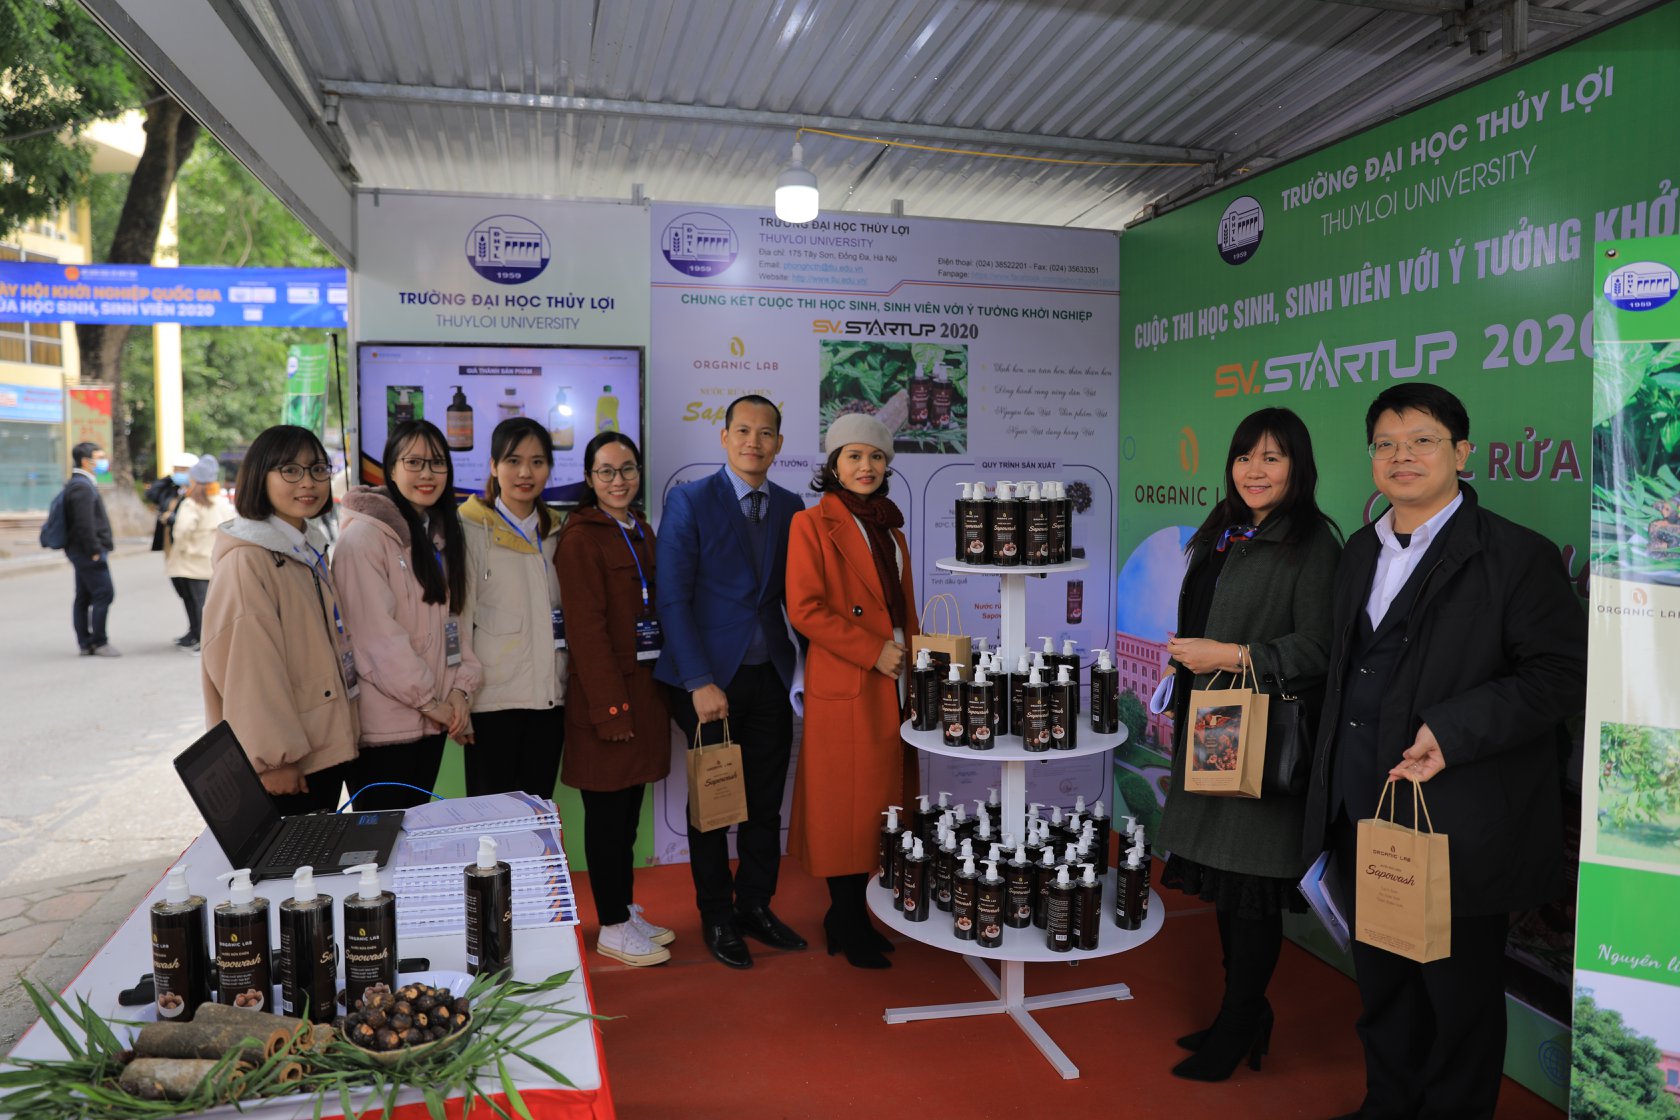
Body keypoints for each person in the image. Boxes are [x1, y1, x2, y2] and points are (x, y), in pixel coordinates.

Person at [1303, 384, 1586, 1120]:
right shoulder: (1359, 549)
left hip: (1458, 821)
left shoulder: (1515, 555)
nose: (1402, 456)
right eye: (1386, 444)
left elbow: (1561, 675)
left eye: (1422, 441)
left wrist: (1451, 731)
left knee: (1458, 1001)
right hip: (1364, 810)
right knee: (1383, 985)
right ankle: (1387, 1105)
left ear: (1462, 453)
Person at [1156, 406, 1342, 1081]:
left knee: (1252, 885)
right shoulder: (1224, 531)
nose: (1254, 470)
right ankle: (1240, 1013)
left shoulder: (1314, 544)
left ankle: (1239, 1024)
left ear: (1298, 466)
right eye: (1244, 456)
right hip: (1213, 727)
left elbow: (1321, 647)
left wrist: (1234, 656)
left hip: (1264, 736)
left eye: (1272, 457)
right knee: (1225, 882)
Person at [655, 394, 806, 970]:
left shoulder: (791, 506)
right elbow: (672, 597)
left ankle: (755, 906)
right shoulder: (690, 500)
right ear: (724, 437)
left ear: (779, 444)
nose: (753, 442)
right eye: (742, 431)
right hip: (707, 684)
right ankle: (717, 916)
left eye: (765, 433)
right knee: (714, 806)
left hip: (771, 678)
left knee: (765, 805)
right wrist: (699, 680)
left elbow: (797, 599)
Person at [786, 414, 918, 970]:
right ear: (834, 465)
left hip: (896, 674)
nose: (866, 466)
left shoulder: (892, 529)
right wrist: (873, 650)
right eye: (854, 456)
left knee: (882, 804)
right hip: (851, 675)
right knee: (846, 807)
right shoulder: (811, 524)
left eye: (876, 456)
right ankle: (846, 917)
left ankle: (852, 914)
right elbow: (805, 609)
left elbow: (904, 611)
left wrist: (918, 665)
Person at [556, 432, 674, 968]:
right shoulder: (582, 538)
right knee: (606, 819)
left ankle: (624, 909)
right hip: (607, 700)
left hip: (644, 693)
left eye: (627, 469)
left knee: (627, 816)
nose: (618, 480)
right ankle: (611, 925)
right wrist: (610, 709)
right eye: (605, 471)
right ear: (589, 478)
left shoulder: (640, 529)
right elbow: (585, 631)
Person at [200, 425, 360, 815]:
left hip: (320, 743)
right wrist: (273, 760)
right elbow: (250, 668)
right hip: (287, 762)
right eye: (290, 470)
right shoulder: (248, 559)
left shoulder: (304, 546)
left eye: (317, 469)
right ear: (260, 476)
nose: (308, 482)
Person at [333, 421, 481, 811]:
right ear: (391, 469)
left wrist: (459, 691)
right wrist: (431, 702)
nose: (427, 474)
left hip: (431, 723)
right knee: (383, 841)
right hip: (384, 731)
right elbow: (376, 639)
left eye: (437, 463)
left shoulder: (438, 536)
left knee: (415, 836)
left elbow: (452, 625)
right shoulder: (362, 539)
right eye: (414, 462)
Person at [457, 417, 566, 799]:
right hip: (492, 705)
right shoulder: (469, 529)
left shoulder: (557, 532)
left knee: (537, 815)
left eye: (537, 462)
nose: (525, 473)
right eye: (513, 461)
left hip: (549, 701)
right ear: (493, 466)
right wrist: (460, 697)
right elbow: (458, 619)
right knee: (493, 821)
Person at [164, 454, 235, 653]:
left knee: (196, 601)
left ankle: (201, 639)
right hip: (212, 560)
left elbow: (181, 530)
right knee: (205, 602)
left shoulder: (192, 503)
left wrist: (184, 548)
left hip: (190, 561)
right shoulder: (221, 502)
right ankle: (198, 636)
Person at [62, 442, 118, 657]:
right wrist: (94, 550)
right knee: (104, 593)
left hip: (82, 551)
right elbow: (84, 523)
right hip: (88, 552)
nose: (104, 462)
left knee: (84, 596)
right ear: (86, 461)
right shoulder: (82, 487)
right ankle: (99, 642)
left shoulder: (80, 483)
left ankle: (86, 643)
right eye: (100, 458)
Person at [148, 452, 198, 645]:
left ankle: (199, 633)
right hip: (172, 547)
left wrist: (172, 519)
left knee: (195, 594)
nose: (178, 473)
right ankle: (192, 630)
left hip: (190, 550)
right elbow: (152, 494)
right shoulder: (173, 490)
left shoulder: (199, 495)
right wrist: (169, 478)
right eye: (176, 470)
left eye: (183, 470)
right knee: (183, 592)